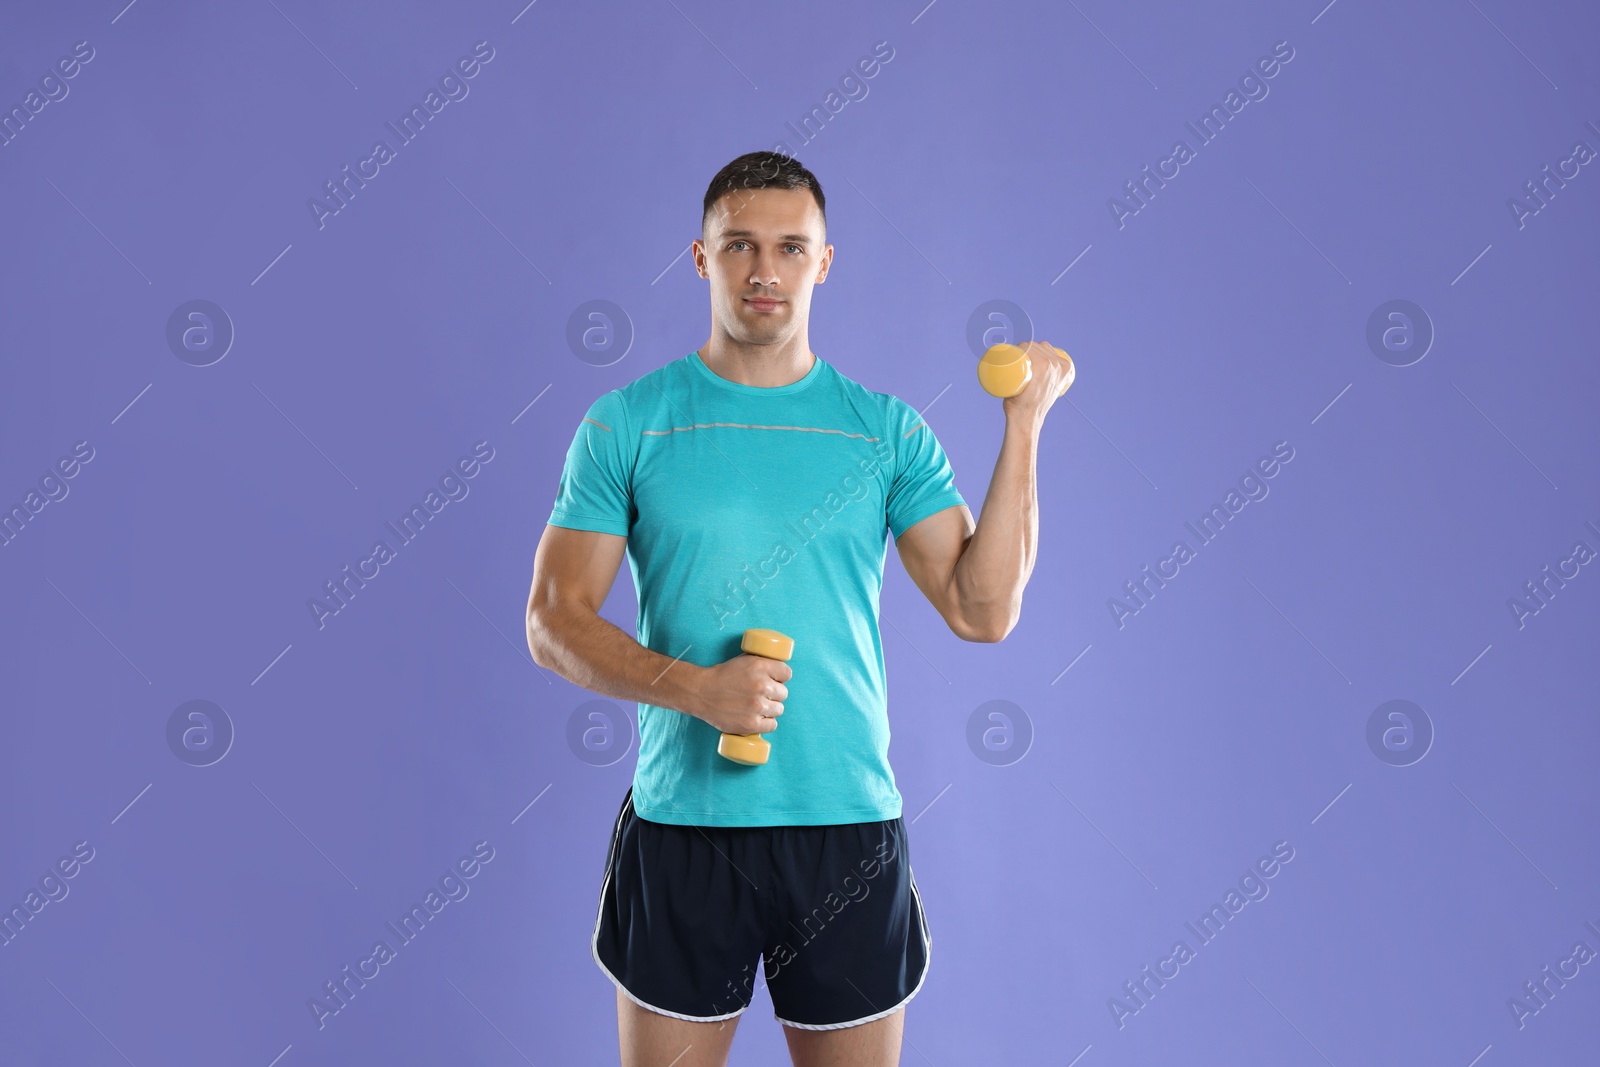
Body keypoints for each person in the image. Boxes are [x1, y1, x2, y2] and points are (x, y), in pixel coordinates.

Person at [525, 151, 1071, 1067]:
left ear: (825, 262)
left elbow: (983, 610)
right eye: (738, 244)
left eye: (789, 246)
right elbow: (553, 618)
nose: (763, 270)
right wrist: (698, 691)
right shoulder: (628, 422)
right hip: (684, 832)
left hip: (845, 834)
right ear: (701, 259)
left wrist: (1024, 426)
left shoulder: (885, 430)